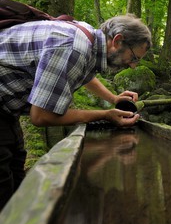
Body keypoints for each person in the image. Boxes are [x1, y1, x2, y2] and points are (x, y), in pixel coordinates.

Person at [0, 14, 152, 211]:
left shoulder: (87, 40)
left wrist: (113, 99)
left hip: (7, 108)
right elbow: (41, 116)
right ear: (117, 40)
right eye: (133, 58)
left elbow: (81, 73)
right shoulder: (74, 47)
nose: (133, 66)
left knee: (16, 173)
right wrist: (105, 115)